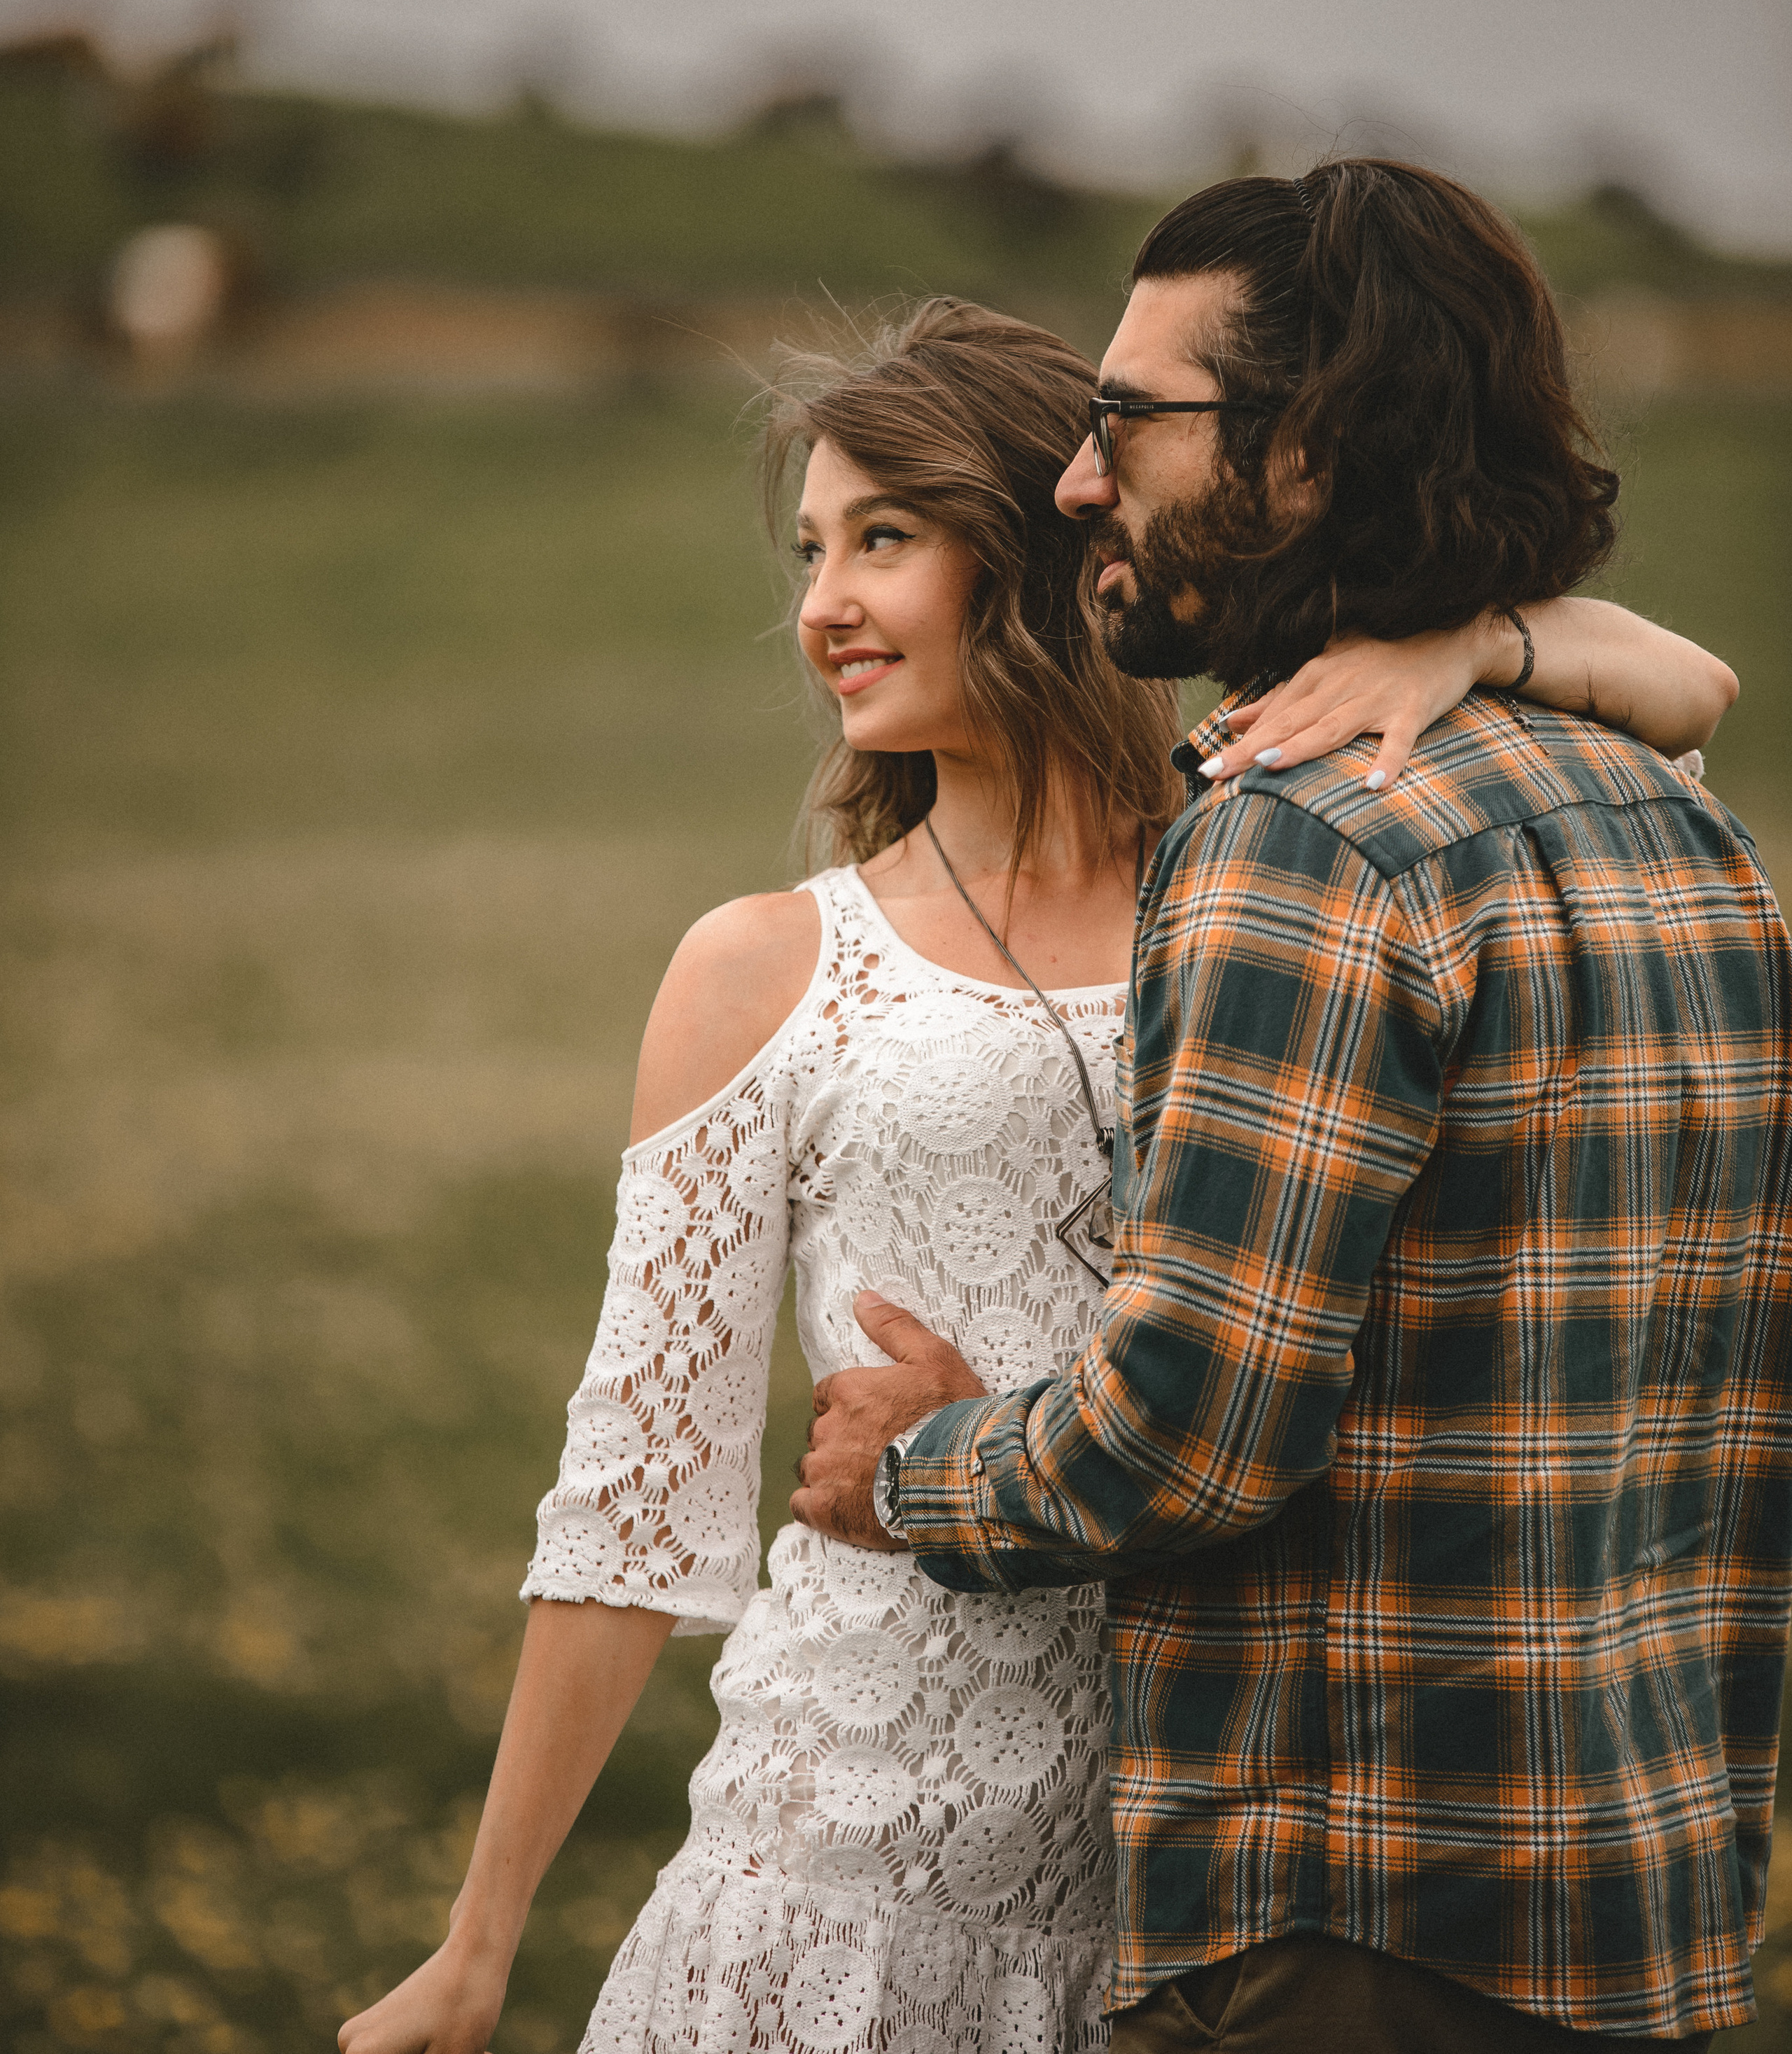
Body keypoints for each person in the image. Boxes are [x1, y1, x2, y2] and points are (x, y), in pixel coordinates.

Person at [340, 291, 1735, 2054]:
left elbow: (1689, 689)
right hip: (846, 1868)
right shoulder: (764, 968)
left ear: (1052, 541)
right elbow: (633, 1489)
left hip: (1204, 1888)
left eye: (883, 539)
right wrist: (477, 1945)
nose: (819, 606)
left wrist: (1462, 649)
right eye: (810, 551)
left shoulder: (1278, 866)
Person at [796, 168, 1792, 2053]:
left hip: (1350, 1922)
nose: (1077, 483)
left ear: (1308, 452)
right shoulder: (1683, 826)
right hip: (1644, 1899)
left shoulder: (1301, 842)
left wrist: (909, 1469)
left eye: (1125, 423)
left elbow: (1193, 1430)